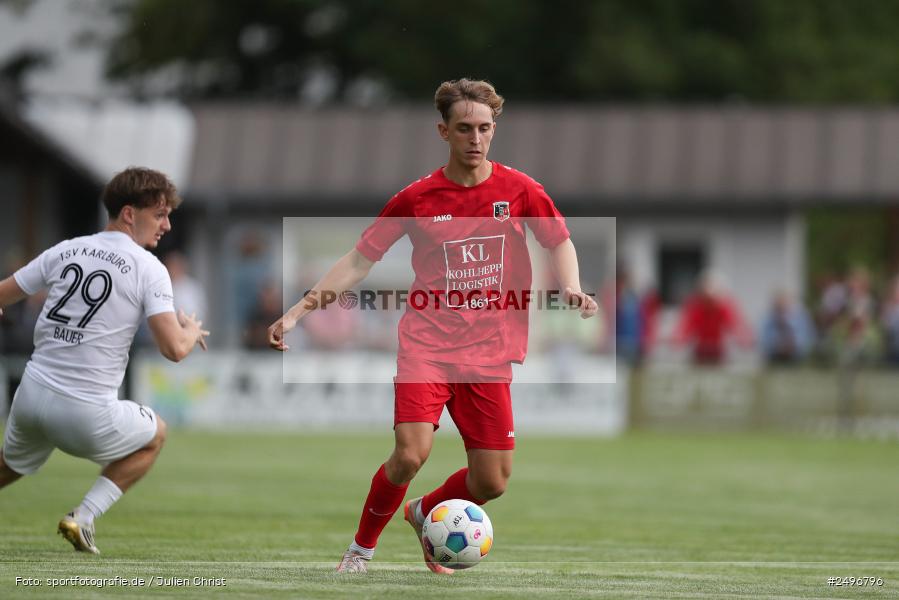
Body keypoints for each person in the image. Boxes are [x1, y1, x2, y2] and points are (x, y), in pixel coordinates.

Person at [268, 79, 598, 574]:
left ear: (494, 129)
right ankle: (360, 552)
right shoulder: (416, 197)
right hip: (427, 346)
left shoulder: (520, 189)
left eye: (485, 128)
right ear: (443, 131)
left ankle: (423, 512)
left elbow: (560, 241)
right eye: (464, 128)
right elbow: (360, 262)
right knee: (409, 453)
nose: (476, 138)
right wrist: (298, 311)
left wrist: (571, 284)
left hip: (489, 353)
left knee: (492, 483)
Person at [0, 167, 209, 554]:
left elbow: (2, 295)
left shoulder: (65, 249)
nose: (166, 225)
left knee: (9, 466)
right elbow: (174, 349)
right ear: (129, 214)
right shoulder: (150, 268)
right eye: (159, 214)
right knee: (156, 434)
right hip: (85, 413)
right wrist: (191, 331)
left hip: (30, 395)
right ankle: (83, 516)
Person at [670, 270, 754, 365]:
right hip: (699, 351)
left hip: (719, 351)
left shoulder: (726, 306)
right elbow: (684, 327)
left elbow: (737, 326)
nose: (710, 301)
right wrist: (678, 340)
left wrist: (744, 340)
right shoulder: (694, 306)